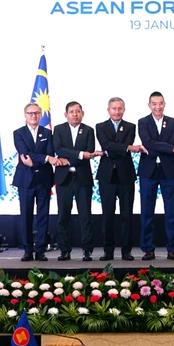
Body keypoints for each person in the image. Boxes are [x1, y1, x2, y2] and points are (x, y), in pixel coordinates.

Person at [137, 91, 174, 261]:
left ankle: (172, 249)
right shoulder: (142, 122)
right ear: (149, 105)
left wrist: (163, 147)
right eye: (154, 103)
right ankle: (147, 249)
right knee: (146, 212)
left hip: (168, 171)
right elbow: (147, 142)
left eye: (160, 103)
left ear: (164, 104)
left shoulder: (172, 122)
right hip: (148, 171)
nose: (157, 107)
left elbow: (169, 142)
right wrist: (170, 149)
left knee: (171, 211)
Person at [12, 103, 63, 262]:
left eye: (36, 113)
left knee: (43, 216)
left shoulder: (48, 132)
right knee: (26, 216)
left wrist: (35, 162)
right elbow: (24, 153)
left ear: (40, 115)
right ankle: (28, 250)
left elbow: (49, 152)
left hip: (44, 179)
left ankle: (40, 250)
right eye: (30, 113)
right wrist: (45, 159)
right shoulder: (18, 133)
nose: (33, 116)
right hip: (25, 180)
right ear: (25, 115)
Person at [96, 97, 144, 261]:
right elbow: (106, 144)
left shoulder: (131, 126)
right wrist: (128, 148)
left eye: (120, 108)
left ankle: (126, 251)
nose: (117, 111)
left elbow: (113, 146)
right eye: (114, 108)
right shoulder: (100, 126)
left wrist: (119, 147)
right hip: (106, 176)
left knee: (126, 215)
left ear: (124, 110)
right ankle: (108, 251)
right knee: (107, 215)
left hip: (126, 175)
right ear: (108, 110)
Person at [53, 101, 98, 262]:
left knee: (85, 216)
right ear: (66, 114)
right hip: (63, 179)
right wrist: (80, 155)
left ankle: (87, 251)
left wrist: (69, 160)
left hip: (82, 178)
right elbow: (58, 149)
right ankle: (65, 250)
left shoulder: (88, 130)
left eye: (78, 111)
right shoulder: (58, 129)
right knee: (63, 216)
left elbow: (89, 151)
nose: (75, 114)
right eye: (71, 111)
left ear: (82, 113)